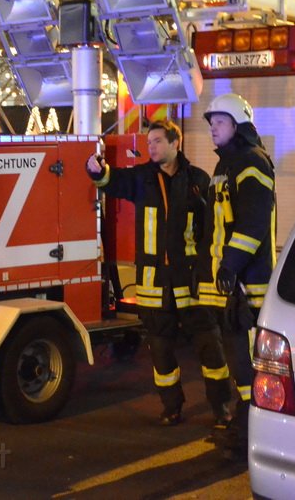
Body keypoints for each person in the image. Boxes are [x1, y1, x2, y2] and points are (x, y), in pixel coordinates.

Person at [87, 120, 231, 427]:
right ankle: (171, 407)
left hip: (191, 283)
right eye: (149, 142)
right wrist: (97, 172)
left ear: (174, 143)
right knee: (161, 352)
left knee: (210, 346)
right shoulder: (142, 178)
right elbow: (112, 181)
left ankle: (221, 408)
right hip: (154, 286)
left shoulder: (197, 181)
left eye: (156, 141)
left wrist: (208, 274)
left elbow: (209, 235)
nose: (150, 146)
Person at [194, 93, 276, 459]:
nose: (213, 128)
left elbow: (253, 223)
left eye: (220, 122)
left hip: (248, 287)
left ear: (239, 125)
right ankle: (243, 430)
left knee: (246, 365)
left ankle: (249, 437)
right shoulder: (226, 166)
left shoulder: (251, 163)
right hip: (232, 286)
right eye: (211, 123)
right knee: (239, 365)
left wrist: (231, 264)